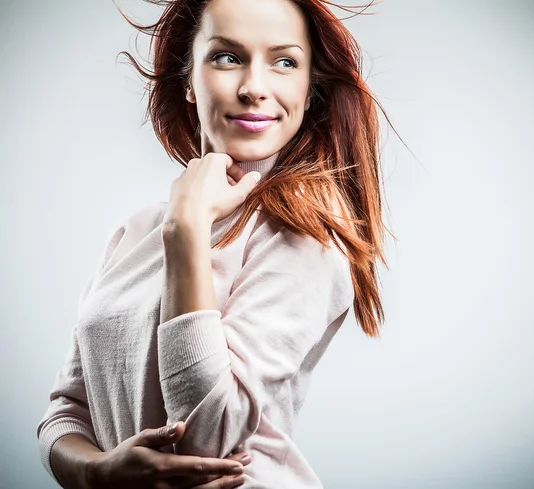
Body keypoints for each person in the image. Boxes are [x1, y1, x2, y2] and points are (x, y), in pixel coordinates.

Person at [36, 0, 396, 487]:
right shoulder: (135, 231)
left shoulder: (304, 235)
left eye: (285, 62)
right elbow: (65, 414)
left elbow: (207, 435)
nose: (253, 88)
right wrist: (101, 473)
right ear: (188, 80)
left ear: (310, 91)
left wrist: (186, 233)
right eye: (227, 57)